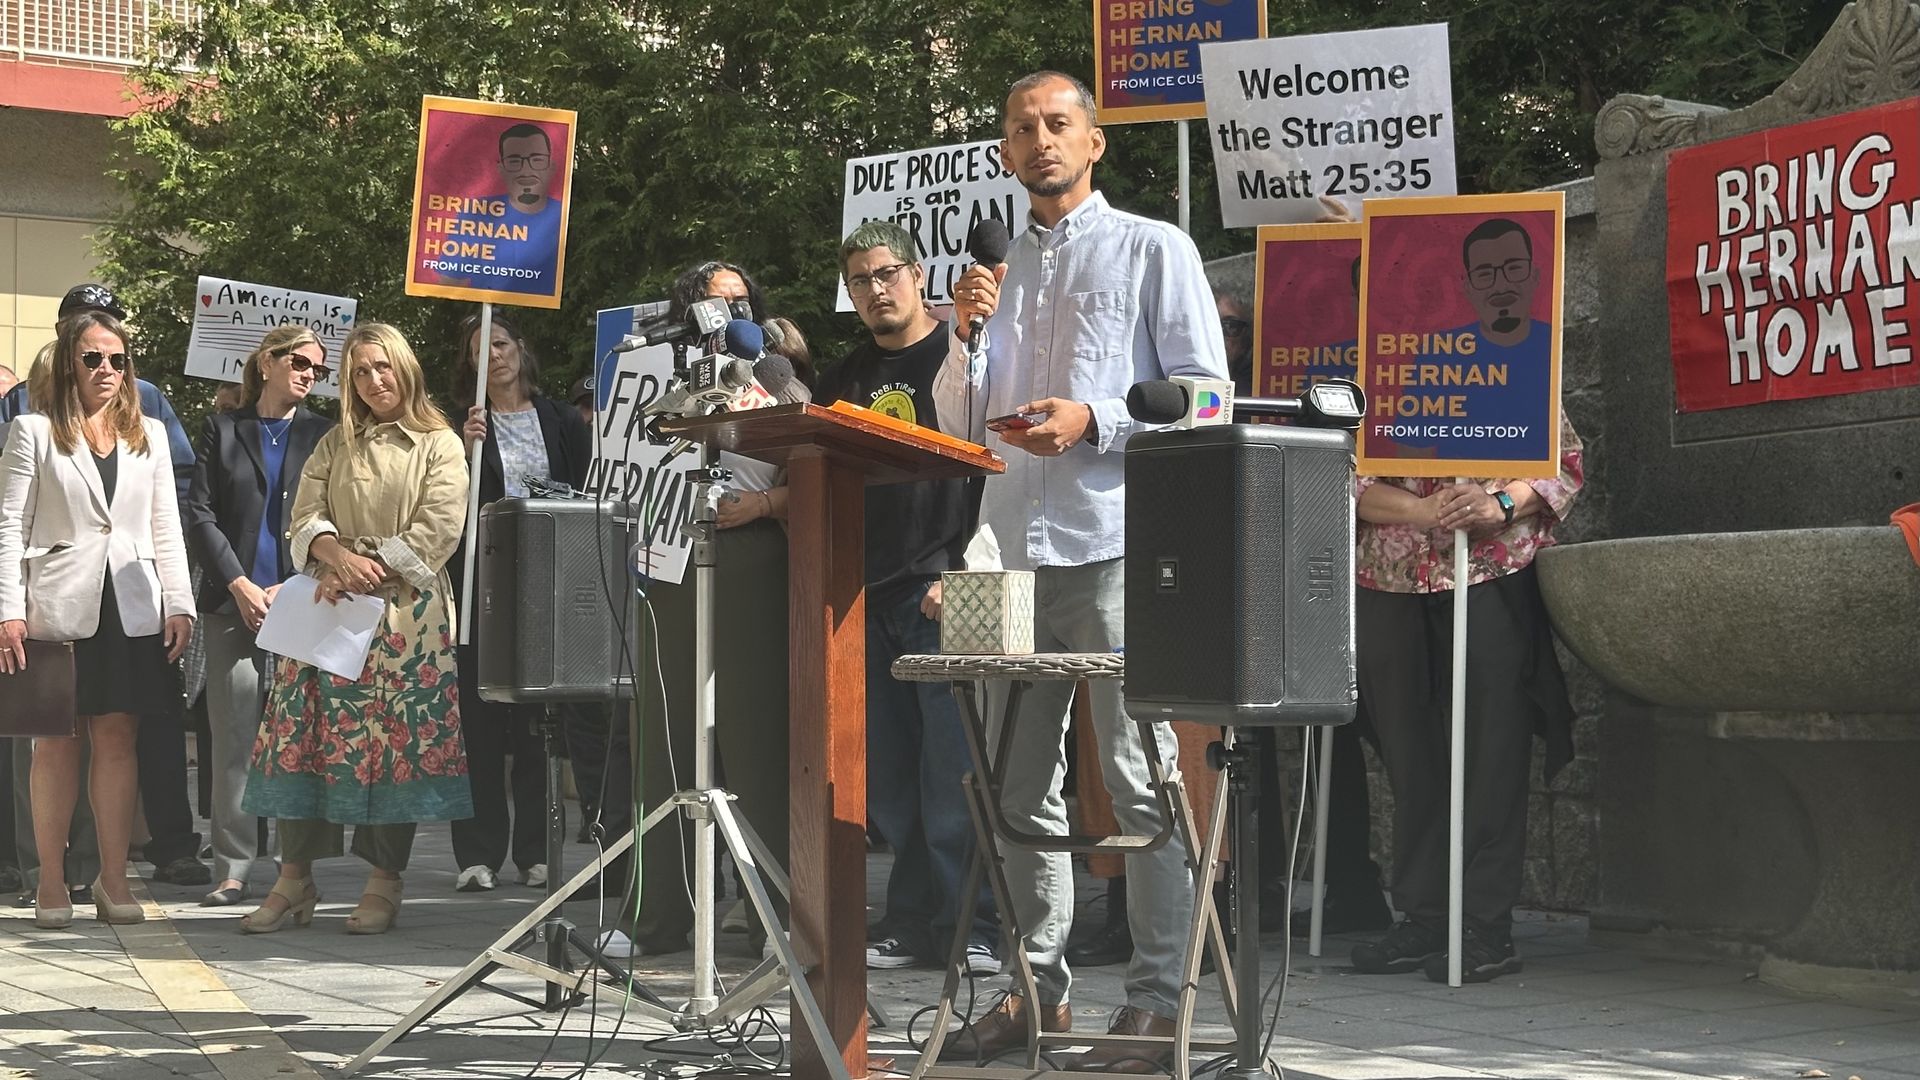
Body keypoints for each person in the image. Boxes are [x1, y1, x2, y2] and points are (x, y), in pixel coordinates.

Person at [936, 70, 1227, 1069]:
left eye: (1059, 124)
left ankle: (1155, 1005)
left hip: (1115, 545)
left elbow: (1210, 401)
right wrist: (964, 337)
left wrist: (1094, 419)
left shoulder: (1153, 246)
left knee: (1141, 784)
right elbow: (962, 428)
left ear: (1094, 142)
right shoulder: (995, 271)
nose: (1041, 140)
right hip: (1001, 551)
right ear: (1005, 154)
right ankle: (1033, 996)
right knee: (1010, 789)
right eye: (1022, 129)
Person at [237, 323, 471, 935]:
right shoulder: (335, 441)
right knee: (306, 733)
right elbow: (304, 513)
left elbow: (440, 527)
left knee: (391, 745)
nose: (373, 381)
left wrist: (371, 567)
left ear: (405, 367)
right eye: (360, 372)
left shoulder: (440, 443)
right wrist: (336, 558)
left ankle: (384, 881)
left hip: (404, 615)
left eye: (382, 367)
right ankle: (294, 879)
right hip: (327, 600)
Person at [818, 219, 999, 975]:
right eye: (859, 280)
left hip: (944, 589)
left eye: (886, 273)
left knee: (955, 774)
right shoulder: (843, 376)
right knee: (890, 779)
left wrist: (965, 569)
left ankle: (976, 925)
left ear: (918, 274)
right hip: (866, 594)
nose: (875, 289)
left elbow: (993, 462)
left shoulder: (963, 356)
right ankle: (910, 918)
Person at [1347, 412, 1583, 982]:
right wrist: (1423, 510)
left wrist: (1497, 506)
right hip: (1391, 576)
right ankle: (1426, 915)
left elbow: (1564, 464)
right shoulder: (1376, 366)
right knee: (1409, 753)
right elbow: (1341, 475)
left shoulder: (1515, 362)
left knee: (1492, 746)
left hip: (1489, 572)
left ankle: (1483, 926)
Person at [0, 286, 209, 895]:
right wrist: (8, 609)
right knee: (56, 746)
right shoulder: (32, 431)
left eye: (118, 360)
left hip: (133, 606)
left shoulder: (148, 434)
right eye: (93, 358)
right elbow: (9, 525)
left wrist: (180, 600)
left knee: (119, 741)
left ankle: (115, 883)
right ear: (68, 361)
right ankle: (52, 882)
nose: (108, 371)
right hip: (56, 607)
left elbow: (165, 523)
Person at [626, 259, 804, 956]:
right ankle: (657, 917)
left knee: (755, 740)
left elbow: (812, 468)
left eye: (740, 299)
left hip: (749, 556)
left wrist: (760, 500)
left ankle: (772, 912)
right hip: (667, 557)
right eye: (712, 299)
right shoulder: (652, 373)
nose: (727, 309)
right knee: (664, 742)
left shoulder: (779, 376)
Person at [183, 327, 336, 906]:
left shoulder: (327, 434)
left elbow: (335, 514)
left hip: (303, 600)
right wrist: (240, 583)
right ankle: (233, 866)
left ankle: (298, 867)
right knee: (235, 737)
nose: (307, 374)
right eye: (298, 362)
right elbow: (200, 515)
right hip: (233, 603)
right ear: (267, 362)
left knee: (302, 736)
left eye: (317, 369)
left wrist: (294, 586)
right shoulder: (223, 428)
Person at [450, 311, 591, 892]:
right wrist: (464, 451)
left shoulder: (558, 418)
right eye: (482, 352)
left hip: (547, 585)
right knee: (480, 722)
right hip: (484, 586)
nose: (496, 358)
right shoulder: (461, 427)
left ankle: (537, 850)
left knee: (540, 722)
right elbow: (451, 509)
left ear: (521, 349)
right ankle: (477, 855)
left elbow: (587, 488)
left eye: (501, 345)